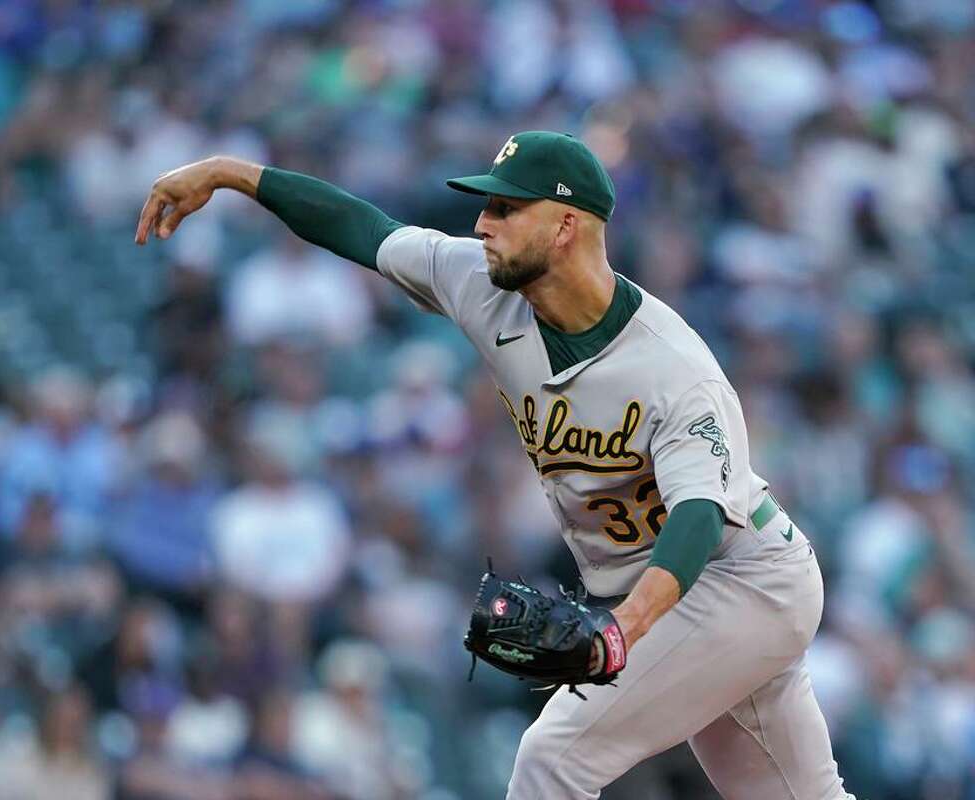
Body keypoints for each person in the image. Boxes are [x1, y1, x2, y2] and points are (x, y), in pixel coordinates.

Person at [135, 131, 854, 798]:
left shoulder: (673, 368)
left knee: (553, 757)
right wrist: (233, 174)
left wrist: (622, 629)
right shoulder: (482, 283)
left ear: (566, 227)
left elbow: (697, 518)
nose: (483, 224)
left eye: (507, 208)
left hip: (739, 580)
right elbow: (364, 229)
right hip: (675, 596)